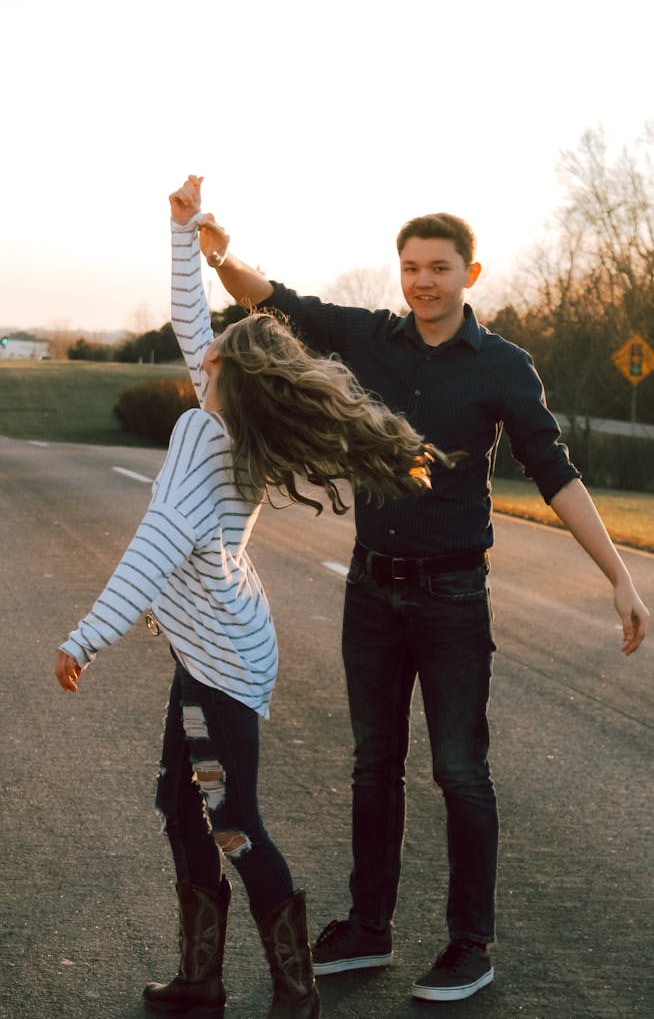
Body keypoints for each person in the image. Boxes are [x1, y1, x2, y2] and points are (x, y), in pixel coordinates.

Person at [196, 206, 650, 1003]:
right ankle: (369, 926)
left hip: (451, 597)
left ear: (469, 274)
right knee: (374, 766)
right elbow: (276, 300)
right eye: (410, 268)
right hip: (371, 589)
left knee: (460, 771)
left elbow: (555, 471)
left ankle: (471, 944)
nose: (422, 282)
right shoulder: (372, 337)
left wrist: (618, 573)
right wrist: (219, 254)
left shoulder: (504, 366)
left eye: (438, 268)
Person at [54, 177, 454, 1019]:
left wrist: (86, 637)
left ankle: (294, 987)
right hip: (218, 643)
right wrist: (184, 230)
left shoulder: (204, 434)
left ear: (231, 379)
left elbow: (151, 550)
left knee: (231, 818)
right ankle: (201, 979)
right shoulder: (234, 418)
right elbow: (190, 318)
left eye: (214, 354)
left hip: (221, 662)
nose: (199, 353)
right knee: (181, 800)